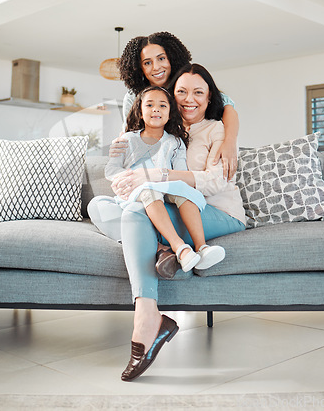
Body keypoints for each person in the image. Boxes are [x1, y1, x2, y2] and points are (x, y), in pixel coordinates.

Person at [88, 63, 246, 382]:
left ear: (209, 97)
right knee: (109, 204)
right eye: (181, 92)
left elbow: (215, 182)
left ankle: (147, 319)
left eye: (198, 93)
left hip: (216, 211)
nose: (189, 99)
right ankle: (162, 251)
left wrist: (153, 176)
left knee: (137, 211)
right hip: (169, 206)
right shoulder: (167, 133)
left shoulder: (217, 130)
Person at [104, 85, 226, 275]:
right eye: (150, 105)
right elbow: (111, 169)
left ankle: (202, 248)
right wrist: (123, 180)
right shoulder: (127, 139)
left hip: (165, 187)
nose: (156, 109)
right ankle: (181, 249)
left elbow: (179, 172)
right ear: (140, 111)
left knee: (183, 190)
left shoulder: (174, 142)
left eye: (162, 106)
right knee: (148, 191)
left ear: (170, 112)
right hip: (137, 190)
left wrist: (171, 183)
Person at [116, 31, 239, 180]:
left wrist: (230, 143)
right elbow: (130, 130)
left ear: (172, 58)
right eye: (147, 63)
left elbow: (228, 107)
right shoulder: (133, 97)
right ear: (139, 68)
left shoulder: (185, 80)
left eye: (161, 58)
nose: (156, 67)